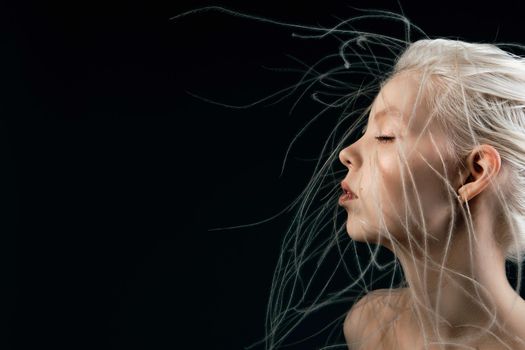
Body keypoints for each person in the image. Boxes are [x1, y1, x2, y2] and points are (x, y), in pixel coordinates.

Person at [173, 7, 525, 350]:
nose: (346, 153)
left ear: (474, 172)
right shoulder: (368, 325)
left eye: (385, 136)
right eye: (364, 133)